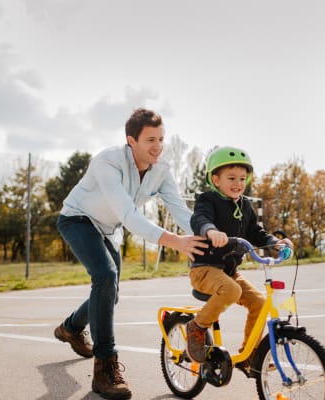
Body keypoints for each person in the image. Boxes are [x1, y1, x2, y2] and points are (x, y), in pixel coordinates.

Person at [54, 108, 208, 400]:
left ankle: (70, 328)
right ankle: (104, 369)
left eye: (162, 139)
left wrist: (205, 234)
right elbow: (127, 213)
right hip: (77, 219)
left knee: (110, 292)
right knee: (105, 276)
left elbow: (180, 210)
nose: (158, 146)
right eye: (151, 139)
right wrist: (174, 241)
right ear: (131, 141)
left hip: (108, 229)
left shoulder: (161, 170)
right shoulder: (108, 162)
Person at [185, 146, 293, 374]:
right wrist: (210, 230)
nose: (238, 183)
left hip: (229, 272)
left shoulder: (245, 206)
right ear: (216, 179)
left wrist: (275, 242)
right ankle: (197, 327)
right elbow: (200, 218)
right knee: (232, 290)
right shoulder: (208, 199)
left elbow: (255, 232)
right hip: (204, 269)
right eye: (231, 178)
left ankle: (249, 355)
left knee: (260, 302)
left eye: (242, 178)